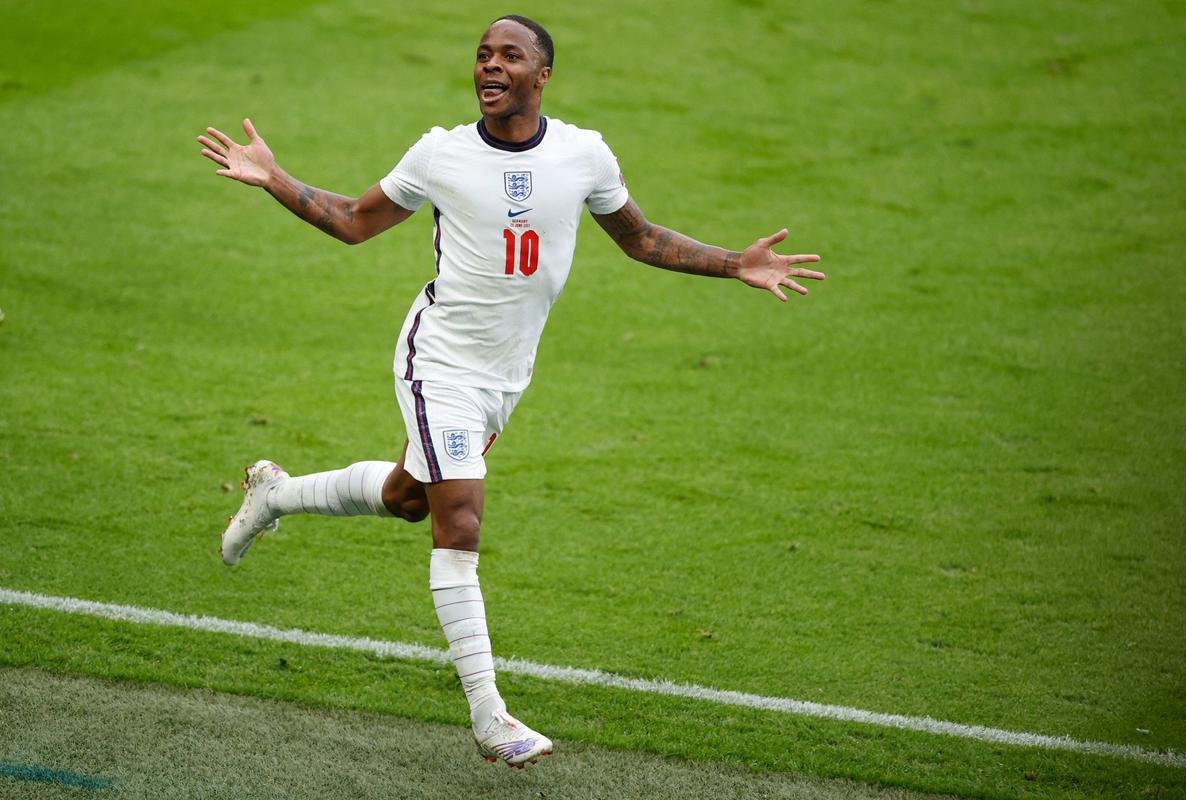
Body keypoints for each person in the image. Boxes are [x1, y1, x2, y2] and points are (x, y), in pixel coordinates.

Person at [197, 14, 823, 769]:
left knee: (408, 497)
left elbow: (640, 238)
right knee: (458, 521)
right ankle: (490, 717)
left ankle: (276, 494)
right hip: (438, 362)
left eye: (510, 56)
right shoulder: (441, 153)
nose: (490, 66)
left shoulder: (583, 154)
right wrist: (276, 179)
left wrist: (733, 263)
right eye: (483, 55)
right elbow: (356, 222)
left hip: (505, 376)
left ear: (542, 74)